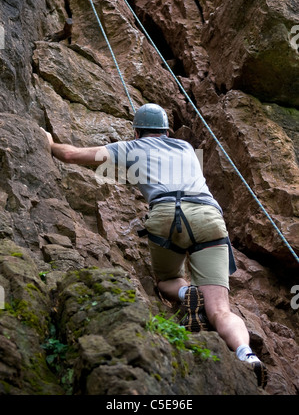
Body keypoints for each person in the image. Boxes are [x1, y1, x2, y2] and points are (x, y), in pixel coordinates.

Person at [41, 103, 267, 388]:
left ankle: (186, 292)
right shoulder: (185, 148)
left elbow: (73, 156)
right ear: (166, 130)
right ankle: (246, 355)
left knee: (166, 281)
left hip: (164, 217)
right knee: (220, 310)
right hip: (207, 216)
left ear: (136, 131)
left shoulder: (129, 148)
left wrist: (49, 143)